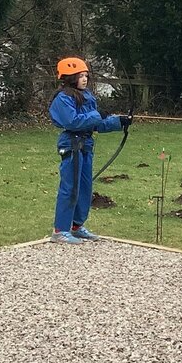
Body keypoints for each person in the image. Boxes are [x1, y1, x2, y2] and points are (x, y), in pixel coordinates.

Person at [48, 57, 131, 244]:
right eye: (80, 76)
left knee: (85, 188)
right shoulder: (63, 99)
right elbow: (73, 122)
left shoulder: (86, 97)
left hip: (85, 145)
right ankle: (60, 230)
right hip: (72, 145)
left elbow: (95, 124)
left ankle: (76, 226)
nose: (85, 79)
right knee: (70, 187)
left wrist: (119, 122)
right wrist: (96, 115)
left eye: (86, 75)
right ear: (70, 78)